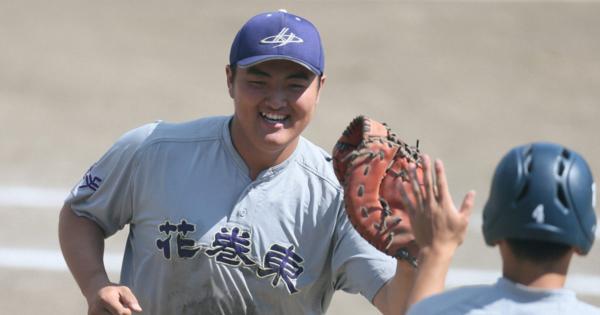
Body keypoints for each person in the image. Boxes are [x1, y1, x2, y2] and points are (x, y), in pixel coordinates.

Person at [58, 9, 474, 315]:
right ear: (229, 80)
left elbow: (398, 304)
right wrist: (96, 285)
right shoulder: (154, 150)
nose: (276, 100)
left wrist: (414, 250)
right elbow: (81, 213)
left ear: (320, 88)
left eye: (295, 84)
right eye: (258, 82)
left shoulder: (336, 197)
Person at [403, 142, 599, 315]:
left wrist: (437, 249)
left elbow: (423, 309)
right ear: (583, 238)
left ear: (494, 228)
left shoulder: (439, 310)